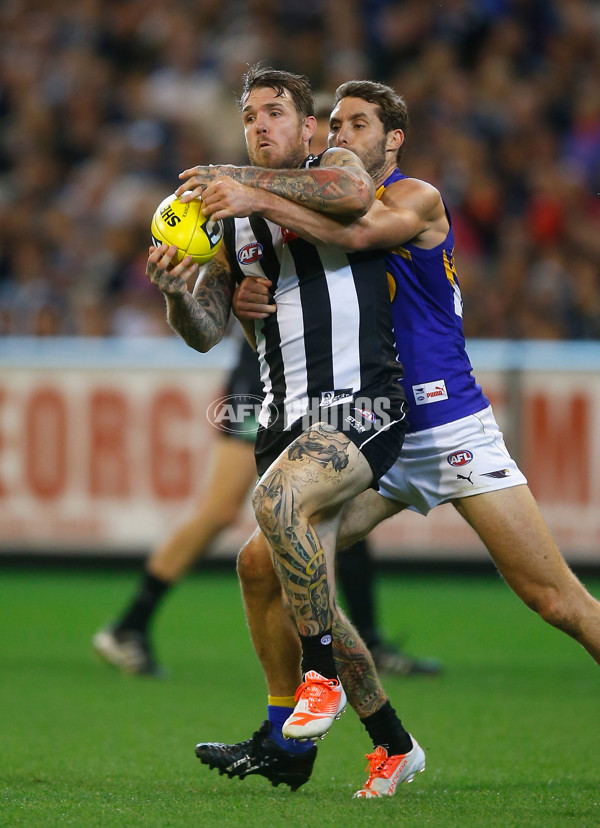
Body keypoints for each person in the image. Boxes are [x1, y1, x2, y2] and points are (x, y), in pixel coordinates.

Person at [192, 78, 600, 798]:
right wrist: (247, 298)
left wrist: (252, 192)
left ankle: (344, 711)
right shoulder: (317, 201)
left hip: (448, 425)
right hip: (376, 426)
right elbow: (304, 291)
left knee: (554, 600)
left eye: (359, 123)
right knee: (271, 562)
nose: (346, 135)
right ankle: (369, 739)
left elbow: (353, 229)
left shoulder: (412, 199)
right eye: (339, 124)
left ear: (393, 138)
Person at [146, 66, 426, 797]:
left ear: (308, 127)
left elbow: (356, 195)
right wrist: (181, 295)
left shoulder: (331, 167)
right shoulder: (229, 220)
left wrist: (241, 183)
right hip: (284, 418)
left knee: (274, 504)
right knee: (262, 569)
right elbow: (205, 333)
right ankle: (343, 742)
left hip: (362, 405)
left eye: (276, 113)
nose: (262, 125)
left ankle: (319, 680)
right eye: (249, 116)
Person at [93, 329, 441, 678]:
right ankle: (130, 624)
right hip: (265, 376)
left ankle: (371, 640)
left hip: (319, 371)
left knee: (336, 496)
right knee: (221, 509)